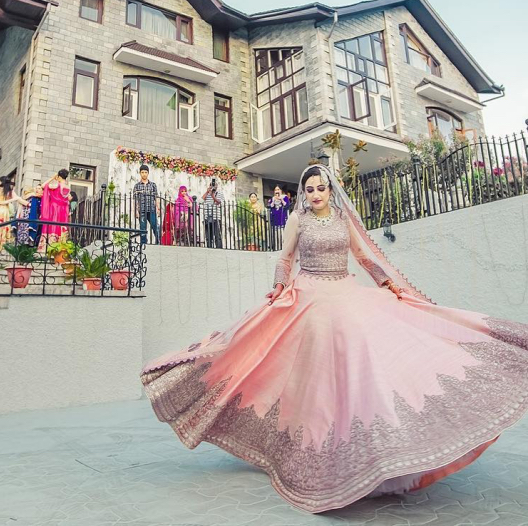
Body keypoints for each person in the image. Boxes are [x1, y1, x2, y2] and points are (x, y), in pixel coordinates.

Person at [140, 164, 528, 514]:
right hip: (309, 297)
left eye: (320, 188)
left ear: (330, 189)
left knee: (373, 355)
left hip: (345, 291)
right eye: (308, 190)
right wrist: (277, 288)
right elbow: (285, 259)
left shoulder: (344, 220)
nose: (315, 194)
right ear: (303, 193)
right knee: (296, 367)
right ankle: (325, 454)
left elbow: (363, 257)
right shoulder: (298, 221)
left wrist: (389, 284)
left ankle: (389, 456)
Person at [38, 169, 71, 251]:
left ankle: (48, 248)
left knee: (52, 226)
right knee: (59, 227)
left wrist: (52, 178)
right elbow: (68, 198)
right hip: (62, 210)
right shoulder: (68, 187)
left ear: (59, 176)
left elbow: (43, 186)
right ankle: (58, 248)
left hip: (54, 208)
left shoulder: (56, 185)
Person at [133, 165, 159, 245]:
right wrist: (136, 211)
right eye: (142, 172)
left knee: (155, 226)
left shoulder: (153, 185)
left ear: (148, 173)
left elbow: (156, 198)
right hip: (142, 210)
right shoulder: (137, 186)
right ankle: (143, 243)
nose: (144, 174)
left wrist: (158, 208)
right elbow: (135, 200)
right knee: (143, 228)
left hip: (151, 210)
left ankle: (159, 242)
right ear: (140, 173)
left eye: (145, 172)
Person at [201, 179, 224, 249]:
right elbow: (201, 200)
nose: (213, 186)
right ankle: (209, 247)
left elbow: (219, 202)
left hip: (216, 217)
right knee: (208, 235)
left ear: (217, 186)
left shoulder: (219, 193)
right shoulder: (207, 193)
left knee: (217, 235)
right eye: (211, 185)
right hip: (207, 216)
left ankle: (219, 248)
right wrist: (207, 192)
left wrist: (213, 195)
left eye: (214, 185)